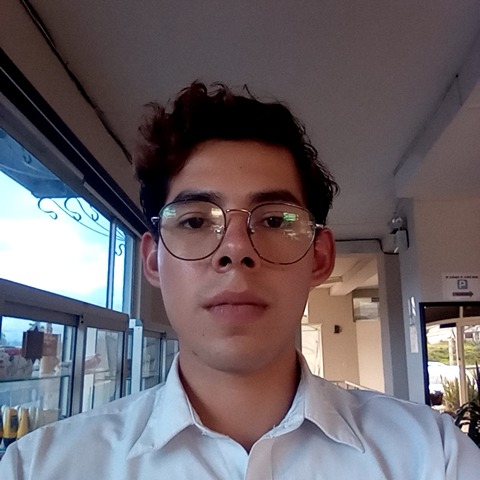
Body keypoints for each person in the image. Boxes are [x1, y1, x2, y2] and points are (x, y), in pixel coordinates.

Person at [1, 82, 479, 479]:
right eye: (194, 221)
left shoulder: (433, 457)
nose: (236, 249)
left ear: (319, 257)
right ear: (153, 260)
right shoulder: (40, 467)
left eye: (273, 221)